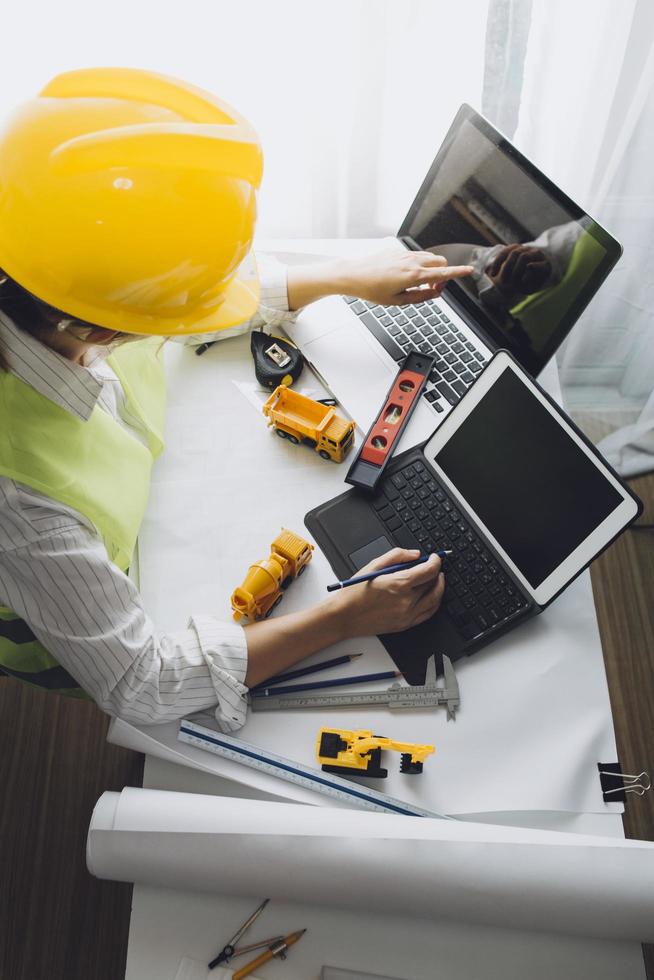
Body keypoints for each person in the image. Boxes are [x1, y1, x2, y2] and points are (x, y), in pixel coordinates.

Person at [0, 68, 473, 729]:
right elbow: (141, 685)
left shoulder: (44, 268)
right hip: (74, 628)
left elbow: (171, 303)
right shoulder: (21, 507)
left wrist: (341, 277)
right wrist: (348, 615)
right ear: (101, 325)